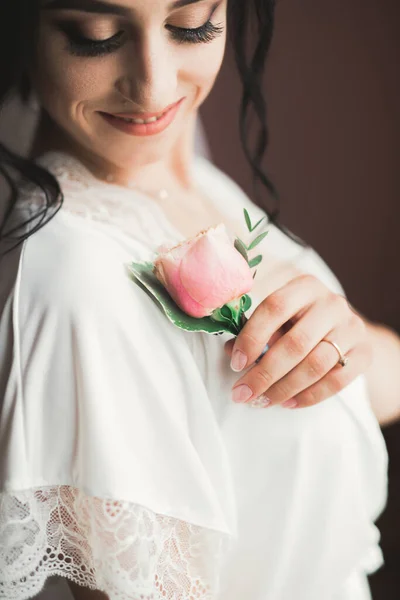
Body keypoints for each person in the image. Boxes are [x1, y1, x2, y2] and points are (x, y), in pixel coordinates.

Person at [0, 1, 400, 599]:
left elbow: (365, 393)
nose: (153, 88)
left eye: (191, 26)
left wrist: (348, 344)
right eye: (95, 36)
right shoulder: (78, 280)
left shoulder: (187, 178)